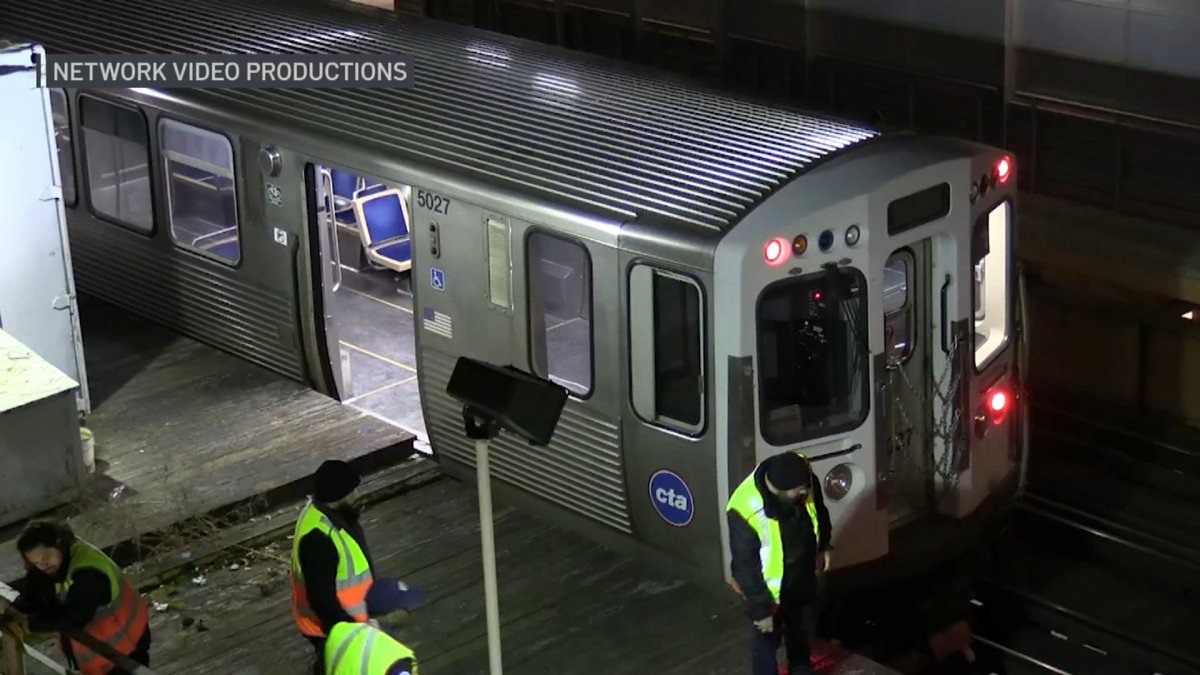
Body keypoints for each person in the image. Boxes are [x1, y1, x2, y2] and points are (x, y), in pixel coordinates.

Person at [292, 460, 421, 674]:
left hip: (347, 622)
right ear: (337, 496)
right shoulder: (319, 540)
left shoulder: (328, 515)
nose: (357, 496)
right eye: (352, 491)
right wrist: (356, 631)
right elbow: (322, 600)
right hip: (333, 628)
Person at [726, 451, 832, 675]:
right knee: (765, 645)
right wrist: (760, 610)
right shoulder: (744, 508)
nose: (806, 492)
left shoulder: (803, 477)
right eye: (799, 490)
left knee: (801, 635)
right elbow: (745, 565)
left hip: (801, 581)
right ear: (781, 490)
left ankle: (801, 669)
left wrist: (823, 546)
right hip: (769, 594)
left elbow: (819, 513)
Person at [1, 519, 150, 675]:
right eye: (35, 562)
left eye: (45, 557)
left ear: (59, 545)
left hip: (126, 646)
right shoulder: (54, 563)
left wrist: (29, 625)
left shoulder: (88, 572)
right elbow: (35, 593)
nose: (42, 565)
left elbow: (73, 618)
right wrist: (15, 611)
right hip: (99, 650)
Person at [324, 581, 425, 675]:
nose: (409, 612)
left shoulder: (344, 631)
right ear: (389, 616)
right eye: (404, 609)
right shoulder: (396, 661)